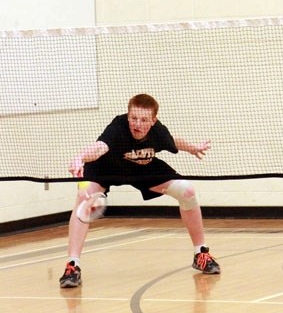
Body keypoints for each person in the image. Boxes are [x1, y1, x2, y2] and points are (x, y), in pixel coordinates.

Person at [59, 94, 220, 288]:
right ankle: (72, 265)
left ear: (153, 121)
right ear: (128, 116)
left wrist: (192, 148)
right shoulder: (118, 127)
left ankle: (200, 253)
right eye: (133, 118)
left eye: (143, 120)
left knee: (187, 191)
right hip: (107, 168)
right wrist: (80, 158)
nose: (137, 124)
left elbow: (173, 141)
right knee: (83, 197)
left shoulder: (158, 132)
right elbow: (100, 147)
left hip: (143, 167)